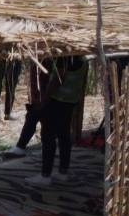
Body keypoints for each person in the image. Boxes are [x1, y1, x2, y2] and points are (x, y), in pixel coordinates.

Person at [26, 56, 89, 187]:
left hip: (57, 101)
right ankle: (63, 171)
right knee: (64, 135)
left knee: (48, 137)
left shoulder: (65, 58)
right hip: (70, 101)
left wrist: (44, 99)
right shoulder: (83, 59)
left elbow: (58, 79)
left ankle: (45, 175)